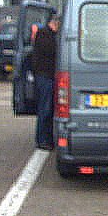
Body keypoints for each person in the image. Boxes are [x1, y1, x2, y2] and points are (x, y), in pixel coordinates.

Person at [32, 14, 60, 150]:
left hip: (49, 76)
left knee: (48, 108)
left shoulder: (49, 35)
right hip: (44, 76)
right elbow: (51, 51)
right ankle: (42, 140)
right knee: (45, 108)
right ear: (55, 23)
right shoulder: (44, 34)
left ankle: (47, 139)